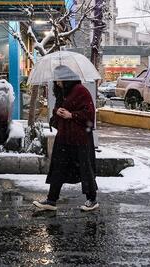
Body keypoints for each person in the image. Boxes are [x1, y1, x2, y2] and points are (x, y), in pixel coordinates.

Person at [33, 65, 99, 212]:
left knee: (85, 169)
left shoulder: (80, 91)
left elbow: (89, 114)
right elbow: (57, 110)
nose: (56, 83)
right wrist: (58, 111)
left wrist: (71, 115)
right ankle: (51, 200)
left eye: (58, 80)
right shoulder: (63, 93)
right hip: (64, 137)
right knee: (58, 168)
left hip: (80, 139)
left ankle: (92, 199)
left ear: (66, 79)